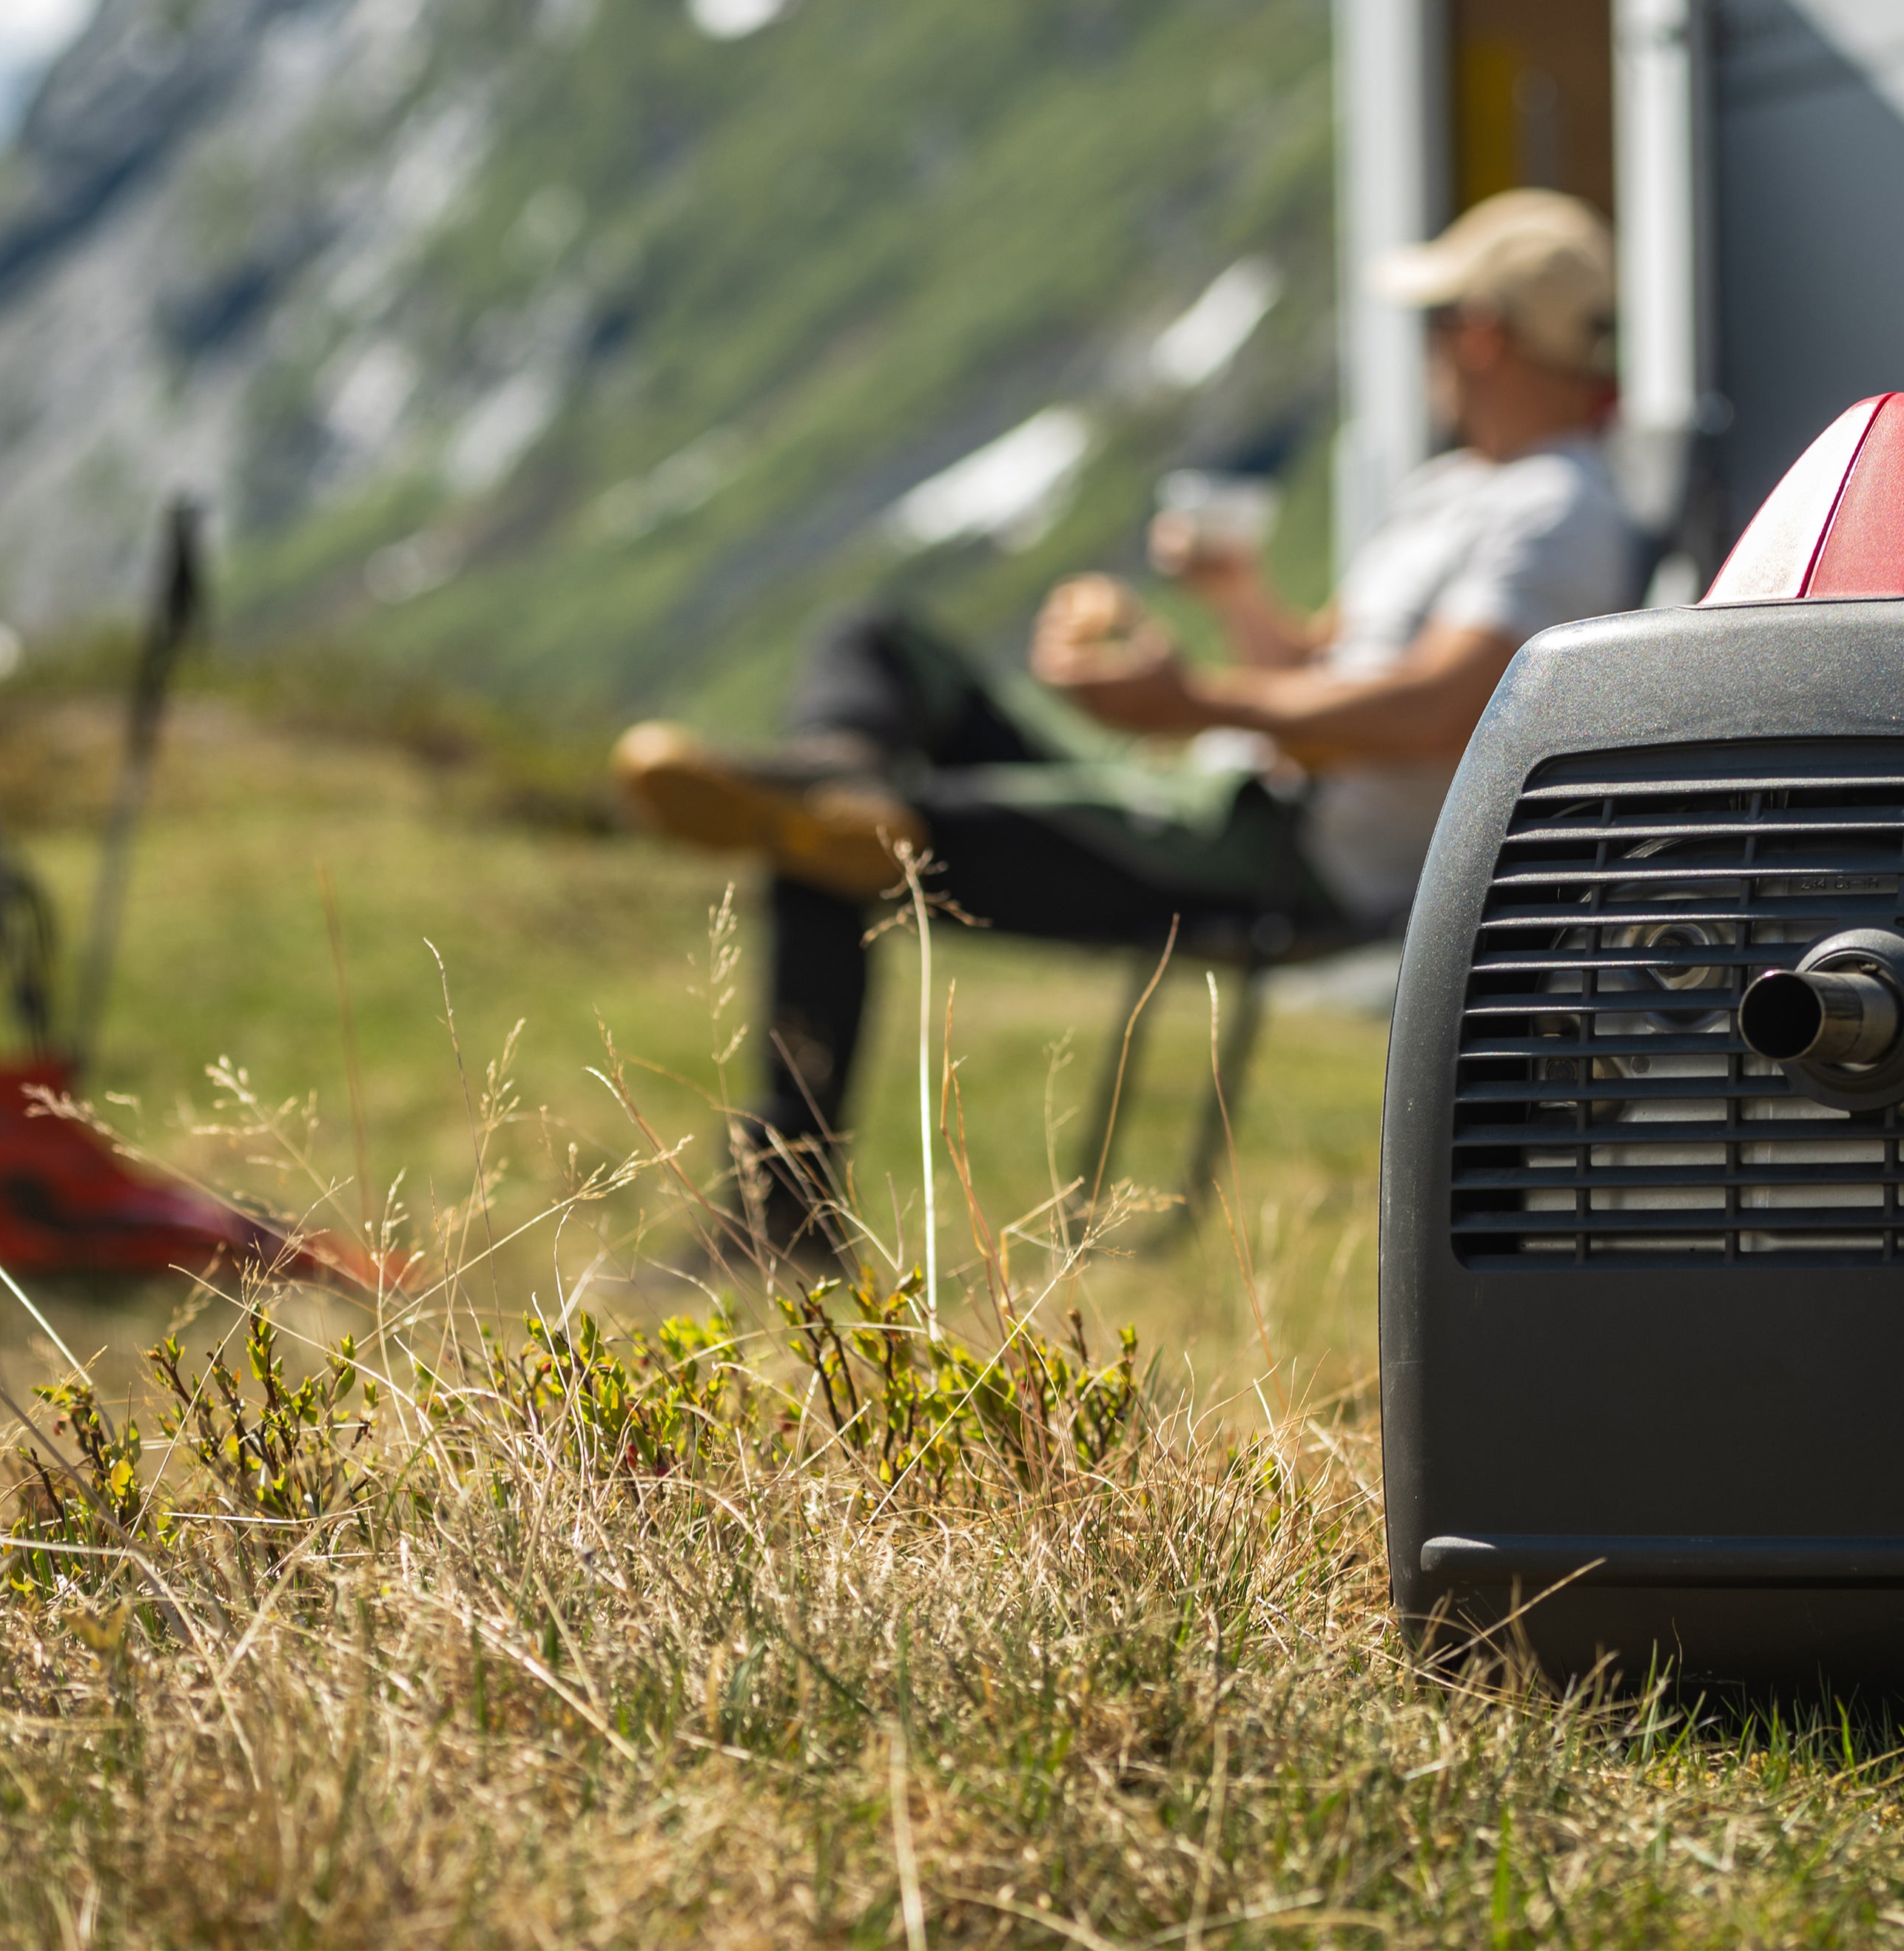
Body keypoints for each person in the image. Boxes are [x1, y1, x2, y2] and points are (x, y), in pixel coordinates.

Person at [614, 187, 1649, 1267]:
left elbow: (1443, 709)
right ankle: (848, 768)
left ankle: (784, 1214)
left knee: (822, 840)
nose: (1431, 347)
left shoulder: (1559, 510)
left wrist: (1189, 702)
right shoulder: (1461, 490)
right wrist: (1235, 599)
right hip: (1222, 802)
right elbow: (1322, 672)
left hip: (1278, 849)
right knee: (873, 649)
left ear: (1483, 334)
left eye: (1437, 322)